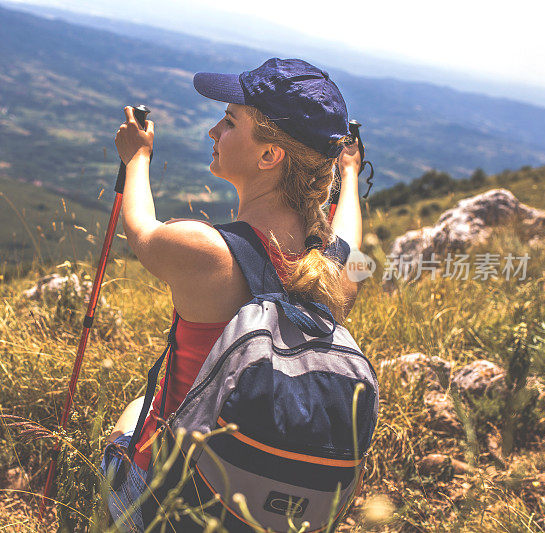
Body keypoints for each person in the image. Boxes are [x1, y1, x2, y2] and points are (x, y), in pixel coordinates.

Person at [101, 58, 365, 531]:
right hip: (265, 512)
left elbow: (141, 230)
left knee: (135, 411)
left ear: (270, 156)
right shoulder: (336, 271)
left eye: (229, 121)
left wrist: (136, 157)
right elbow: (349, 234)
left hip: (170, 508)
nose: (212, 131)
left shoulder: (205, 251)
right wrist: (349, 175)